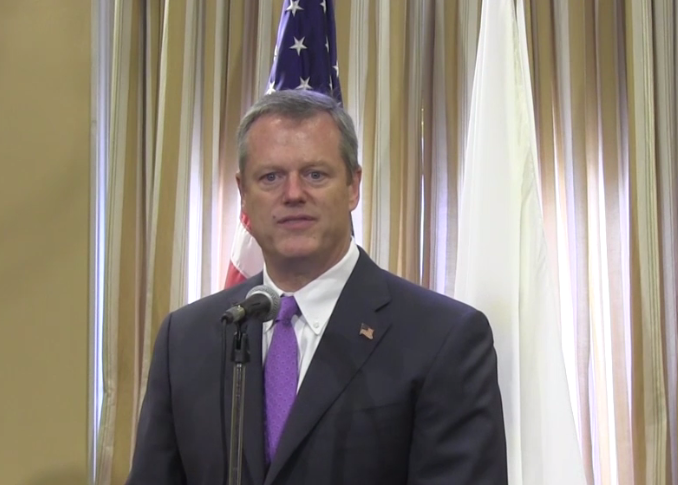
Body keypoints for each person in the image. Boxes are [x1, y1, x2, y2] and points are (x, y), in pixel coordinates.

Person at [126, 90, 508, 485]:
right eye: (270, 177)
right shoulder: (187, 339)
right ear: (243, 193)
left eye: (315, 174)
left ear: (352, 186)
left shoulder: (442, 338)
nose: (293, 194)